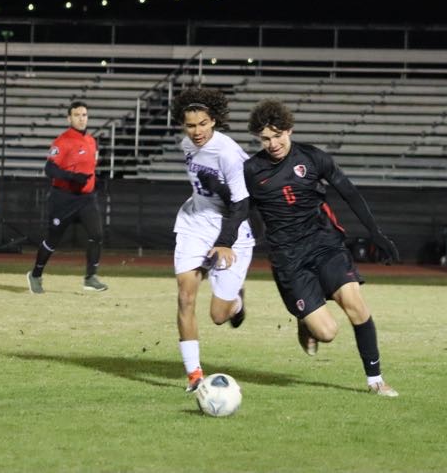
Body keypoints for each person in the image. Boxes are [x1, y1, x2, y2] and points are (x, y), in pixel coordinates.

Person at [243, 99, 401, 397]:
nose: (273, 143)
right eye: (265, 138)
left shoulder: (313, 157)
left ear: (289, 130)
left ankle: (375, 380)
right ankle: (307, 322)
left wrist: (376, 233)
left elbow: (349, 192)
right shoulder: (251, 170)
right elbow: (241, 212)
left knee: (355, 304)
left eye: (278, 135)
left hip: (325, 244)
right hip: (289, 259)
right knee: (327, 333)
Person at [170, 88, 255, 392]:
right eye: (191, 125)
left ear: (214, 121)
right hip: (194, 223)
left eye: (203, 123)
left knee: (219, 316)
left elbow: (243, 205)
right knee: (185, 295)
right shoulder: (186, 145)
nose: (197, 131)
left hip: (232, 231)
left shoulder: (228, 153)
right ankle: (194, 375)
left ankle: (236, 300)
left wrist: (224, 241)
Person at [27, 101, 108, 293]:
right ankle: (36, 275)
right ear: (69, 118)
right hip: (63, 198)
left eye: (84, 115)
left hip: (86, 199)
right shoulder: (62, 141)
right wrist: (72, 177)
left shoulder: (90, 140)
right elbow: (49, 168)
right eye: (77, 115)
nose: (82, 118)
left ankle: (90, 277)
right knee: (53, 240)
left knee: (96, 235)